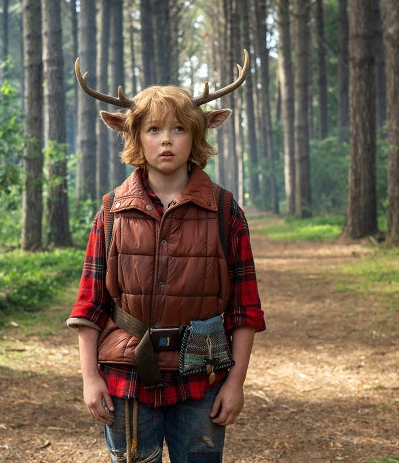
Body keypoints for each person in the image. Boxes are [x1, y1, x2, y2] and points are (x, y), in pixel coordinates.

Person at [67, 50, 265, 463]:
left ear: (197, 134)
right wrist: (89, 378)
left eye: (178, 129)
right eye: (154, 129)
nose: (166, 140)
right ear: (134, 135)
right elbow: (91, 305)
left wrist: (236, 383)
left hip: (203, 378)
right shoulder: (111, 210)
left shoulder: (225, 211)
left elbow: (245, 310)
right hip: (126, 377)